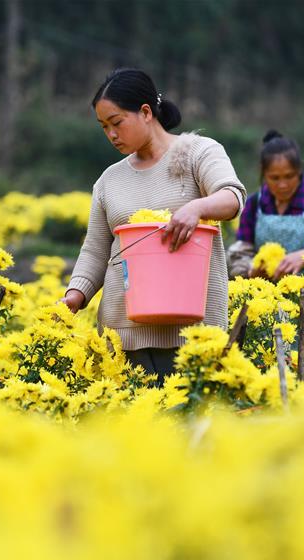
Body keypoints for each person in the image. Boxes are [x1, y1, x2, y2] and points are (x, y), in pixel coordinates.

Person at [60, 68, 246, 384]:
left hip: (193, 332)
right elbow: (95, 251)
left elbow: (232, 197)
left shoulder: (198, 152)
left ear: (146, 112)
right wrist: (72, 299)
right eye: (104, 127)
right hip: (124, 335)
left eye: (117, 122)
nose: (111, 134)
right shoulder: (110, 180)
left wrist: (196, 208)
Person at [227, 130, 304, 279]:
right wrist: (251, 269)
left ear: (299, 170)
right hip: (263, 296)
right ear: (263, 173)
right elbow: (240, 254)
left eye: (289, 176)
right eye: (275, 178)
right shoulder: (254, 205)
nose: (283, 185)